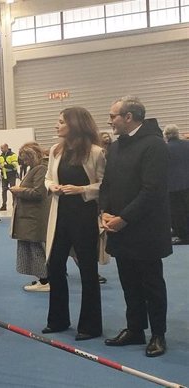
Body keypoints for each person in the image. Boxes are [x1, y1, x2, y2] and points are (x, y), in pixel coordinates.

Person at [100, 96, 171, 357]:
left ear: (128, 117)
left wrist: (123, 218)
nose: (110, 121)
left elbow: (151, 191)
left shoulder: (154, 146)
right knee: (129, 283)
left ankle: (158, 334)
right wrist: (105, 211)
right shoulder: (117, 147)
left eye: (113, 116)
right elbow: (106, 183)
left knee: (151, 284)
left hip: (145, 231)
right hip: (120, 228)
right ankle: (135, 329)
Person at [43, 107, 105, 342]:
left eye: (61, 122)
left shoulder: (96, 152)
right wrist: (52, 187)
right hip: (60, 217)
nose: (56, 126)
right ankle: (58, 319)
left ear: (75, 124)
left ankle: (90, 326)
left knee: (88, 271)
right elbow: (48, 177)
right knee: (54, 266)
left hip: (85, 218)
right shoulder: (55, 150)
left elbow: (104, 184)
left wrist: (82, 190)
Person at [9, 143, 50, 292]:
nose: (24, 162)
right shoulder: (36, 169)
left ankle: (45, 280)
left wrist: (19, 191)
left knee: (36, 248)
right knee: (34, 247)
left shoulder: (40, 169)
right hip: (30, 216)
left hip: (33, 217)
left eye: (25, 159)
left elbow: (39, 193)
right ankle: (43, 278)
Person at [164, 124, 189, 245]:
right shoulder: (187, 144)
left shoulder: (165, 148)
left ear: (166, 135)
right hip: (187, 183)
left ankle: (183, 235)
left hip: (173, 185)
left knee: (176, 212)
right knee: (186, 209)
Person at [0, 143, 19, 211]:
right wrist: (0, 166)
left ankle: (14, 205)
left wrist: (5, 166)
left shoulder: (13, 155)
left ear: (7, 147)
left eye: (2, 148)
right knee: (4, 190)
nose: (1, 150)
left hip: (12, 175)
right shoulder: (1, 156)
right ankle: (4, 205)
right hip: (4, 176)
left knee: (13, 190)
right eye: (1, 148)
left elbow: (14, 165)